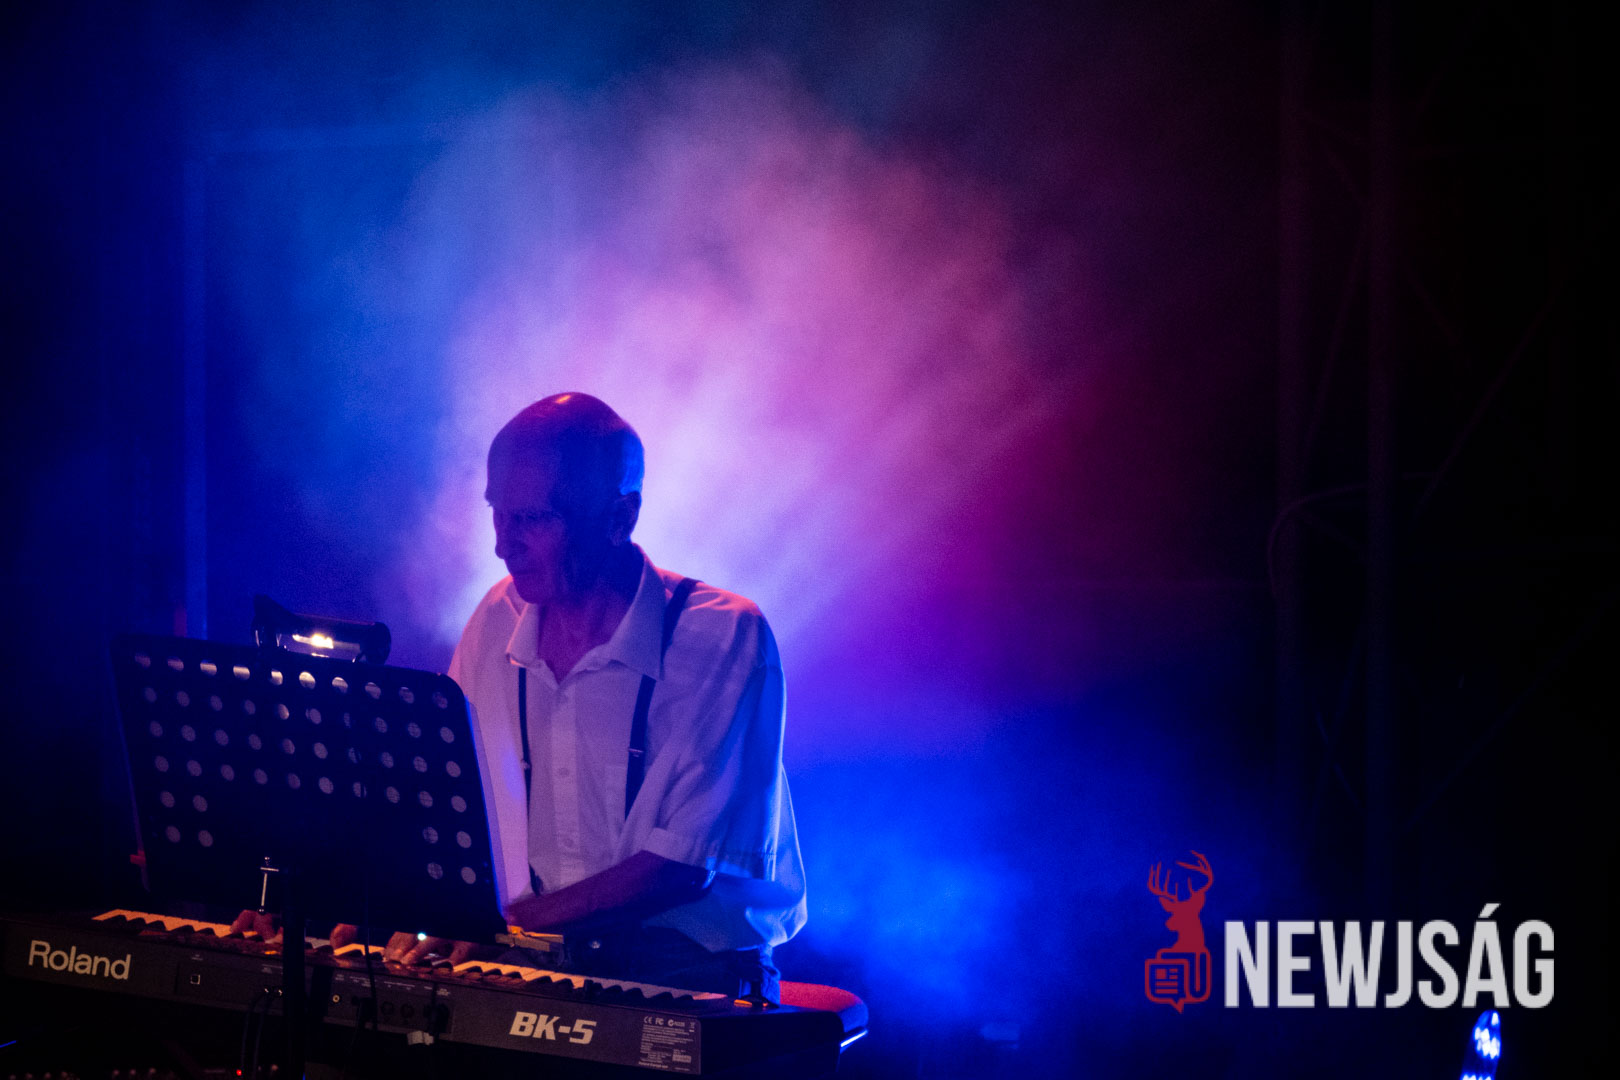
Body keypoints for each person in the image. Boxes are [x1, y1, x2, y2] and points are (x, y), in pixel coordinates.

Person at [390, 392, 806, 998]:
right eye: (498, 514)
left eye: (534, 519)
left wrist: (501, 926)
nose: (504, 545)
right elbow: (448, 802)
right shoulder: (494, 618)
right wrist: (372, 902)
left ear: (620, 517)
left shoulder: (722, 635)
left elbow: (683, 868)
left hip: (687, 967)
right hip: (530, 953)